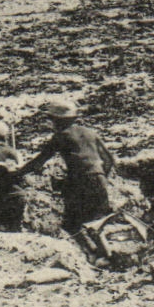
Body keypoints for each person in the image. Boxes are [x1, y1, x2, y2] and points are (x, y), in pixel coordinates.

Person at [17, 96, 116, 234]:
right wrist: (99, 175)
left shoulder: (61, 136)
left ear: (55, 120)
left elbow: (39, 161)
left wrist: (18, 173)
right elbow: (109, 160)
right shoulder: (90, 133)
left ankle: (88, 253)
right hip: (100, 180)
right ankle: (104, 254)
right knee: (97, 225)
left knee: (72, 227)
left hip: (80, 182)